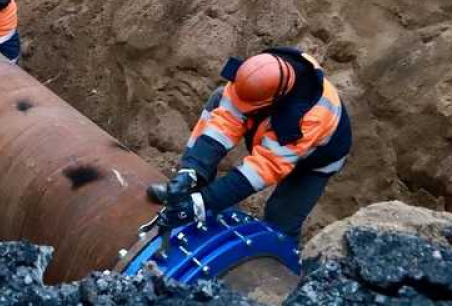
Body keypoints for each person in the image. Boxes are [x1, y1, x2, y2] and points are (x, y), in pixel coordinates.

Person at [146, 47, 352, 241]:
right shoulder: (259, 72)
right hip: (276, 125)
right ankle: (189, 187)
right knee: (219, 100)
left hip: (315, 159)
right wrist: (190, 171)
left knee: (280, 221)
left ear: (274, 100)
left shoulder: (307, 120)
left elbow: (262, 169)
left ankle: (280, 269)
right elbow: (223, 124)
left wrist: (204, 203)